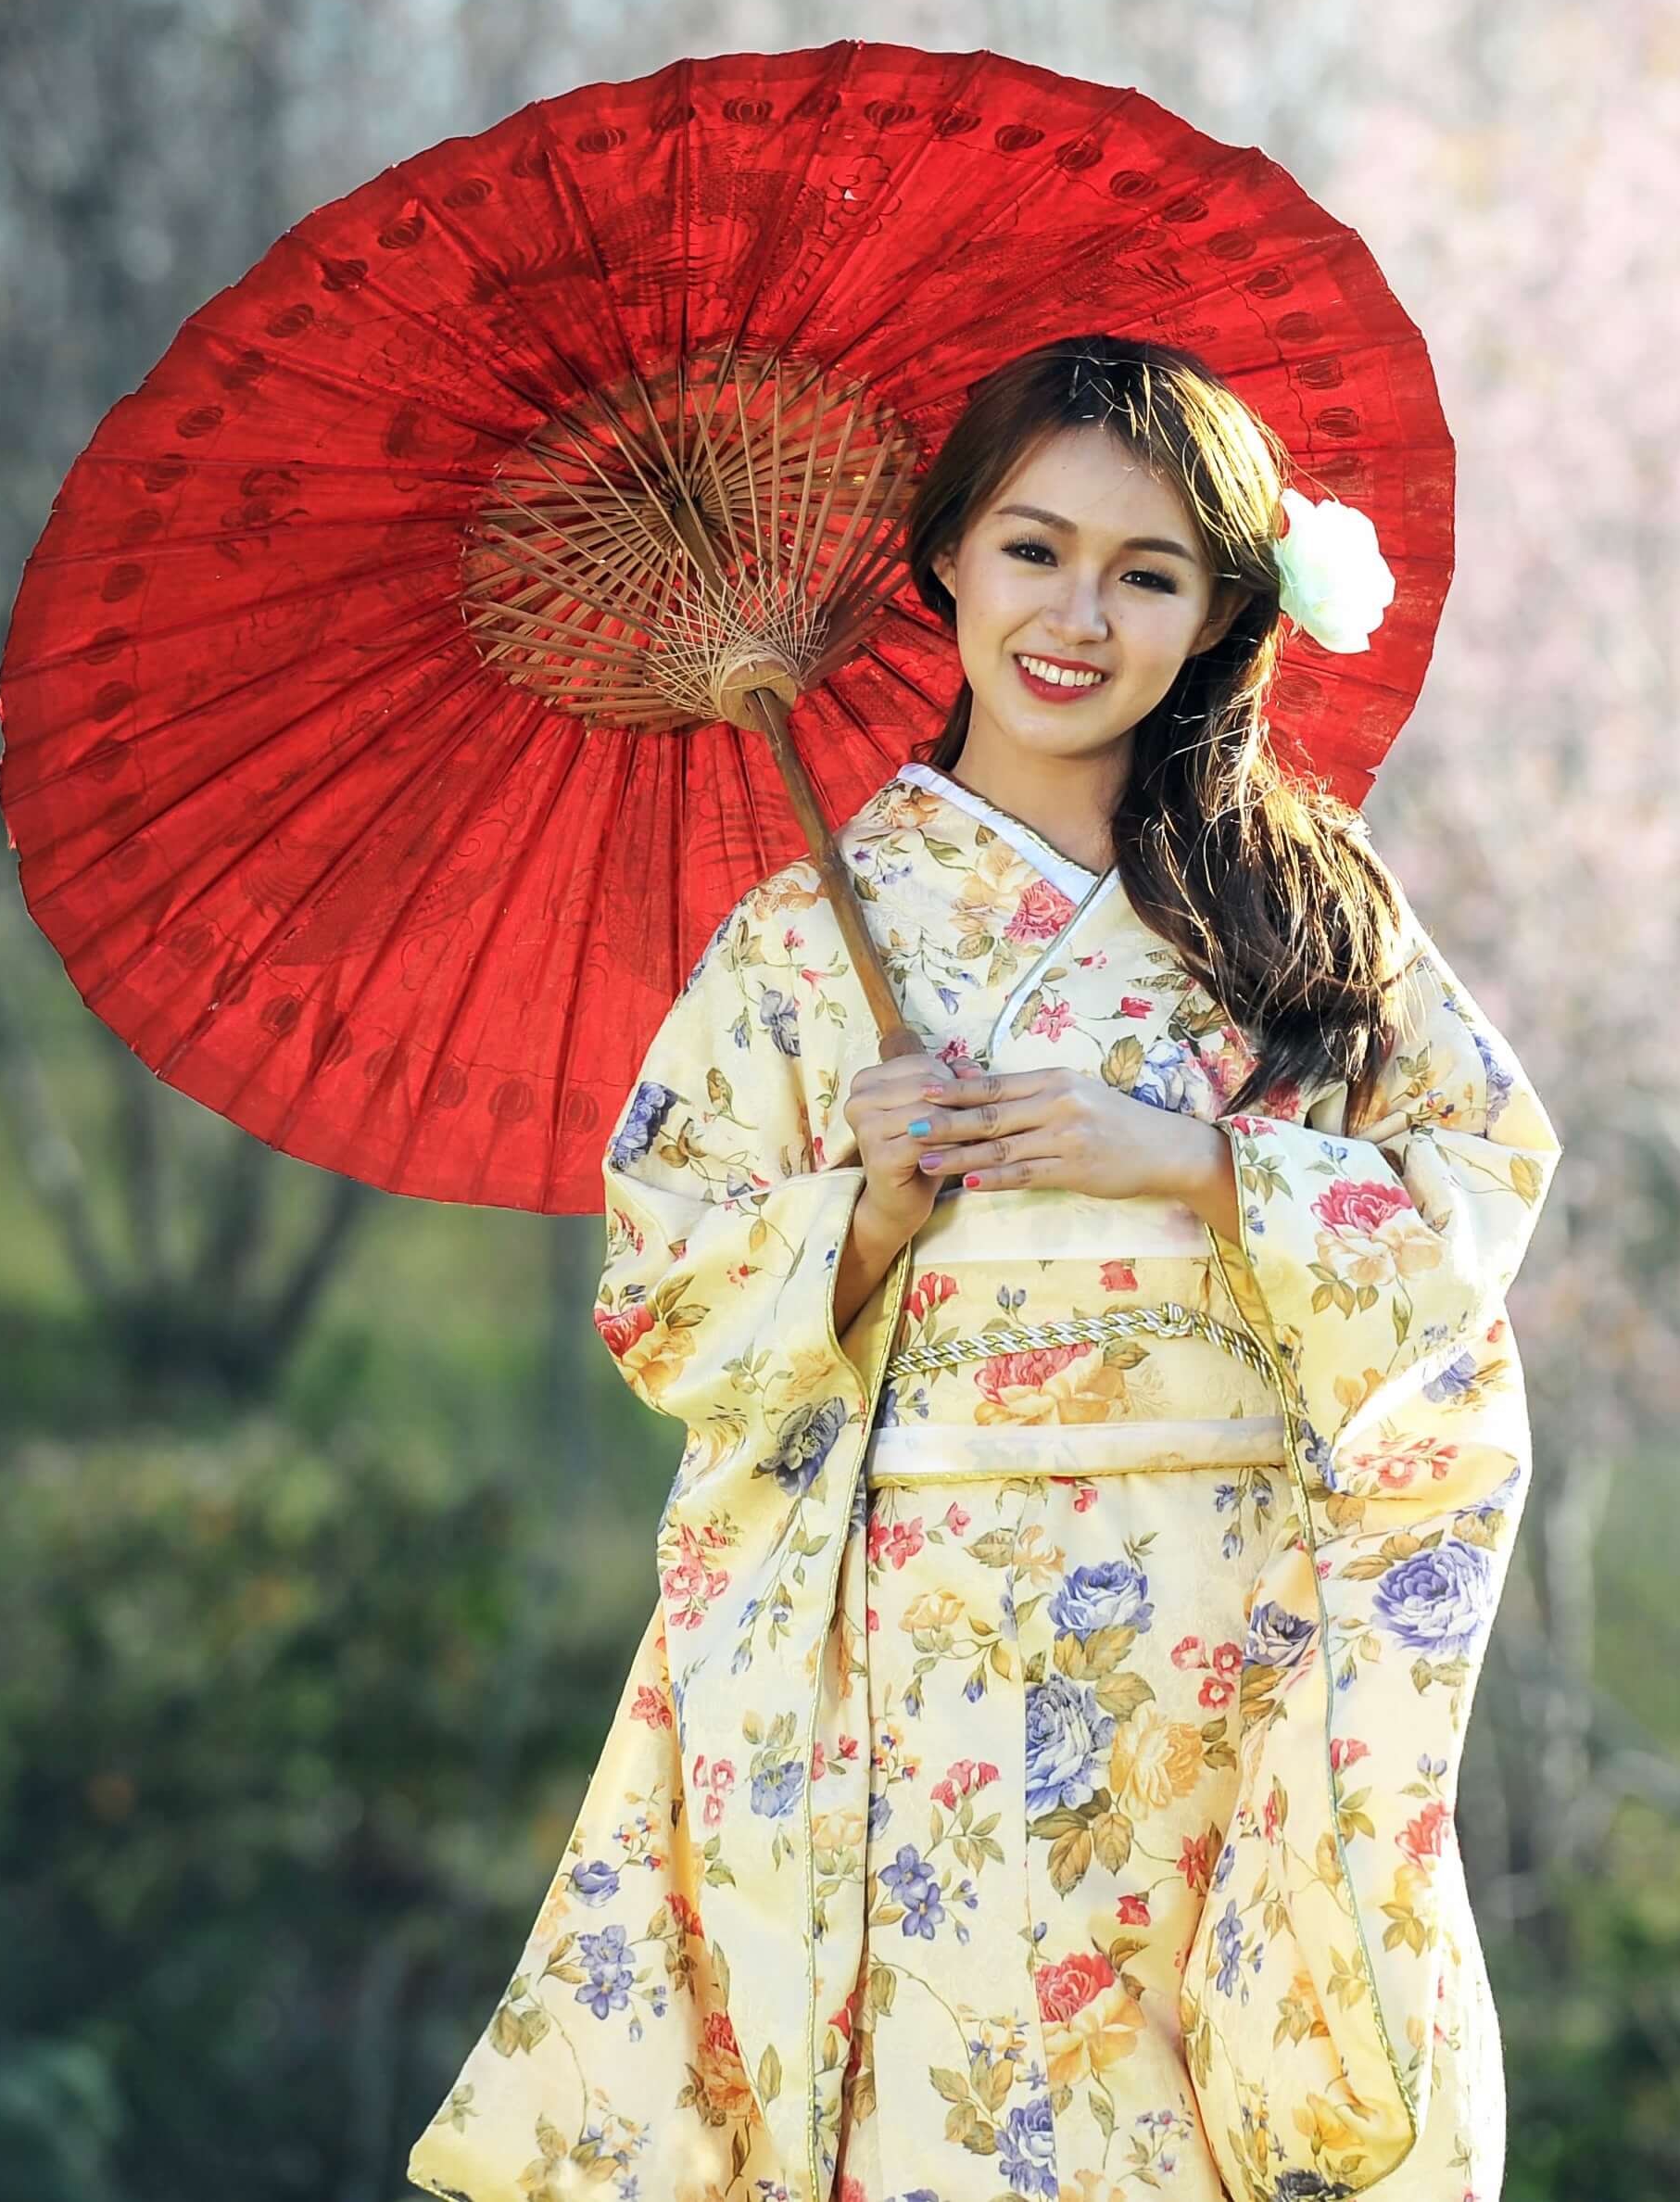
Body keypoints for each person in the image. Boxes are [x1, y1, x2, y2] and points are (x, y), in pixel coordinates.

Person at [409, 335, 1559, 2202]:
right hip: (916, 1641)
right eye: (1033, 551)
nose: (1078, 618)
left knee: (1207, 2111)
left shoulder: (1303, 913)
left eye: (1150, 574)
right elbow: (662, 1294)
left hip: (1228, 1629)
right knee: (948, 2105)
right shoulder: (806, 941)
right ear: (943, 561)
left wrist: (1195, 1163)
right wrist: (861, 1214)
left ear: (1221, 617)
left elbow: (1476, 1190)